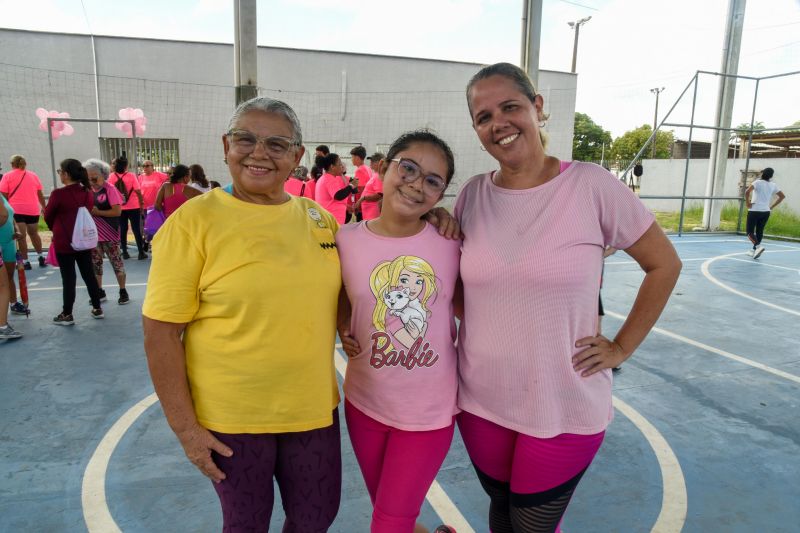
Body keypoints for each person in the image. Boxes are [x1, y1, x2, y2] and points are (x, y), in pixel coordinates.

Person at [455, 63, 682, 532]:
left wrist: (622, 346)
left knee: (531, 526)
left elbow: (664, 264)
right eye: (483, 116)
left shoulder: (591, 185)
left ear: (538, 108)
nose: (498, 123)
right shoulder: (473, 195)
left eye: (511, 106)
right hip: (481, 400)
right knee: (502, 514)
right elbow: (459, 288)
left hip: (564, 401)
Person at [142, 96, 343, 532]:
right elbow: (160, 332)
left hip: (311, 411)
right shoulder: (194, 222)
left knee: (316, 518)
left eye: (276, 143)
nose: (258, 152)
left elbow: (369, 268)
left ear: (297, 156)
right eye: (245, 139)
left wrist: (432, 219)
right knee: (247, 524)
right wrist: (185, 429)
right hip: (232, 418)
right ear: (225, 145)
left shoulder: (319, 220)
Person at [337, 131, 459, 533]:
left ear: (440, 195)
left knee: (388, 525)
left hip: (427, 414)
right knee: (390, 515)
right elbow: (340, 292)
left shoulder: (451, 242)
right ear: (384, 167)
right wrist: (343, 323)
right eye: (408, 167)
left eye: (432, 180)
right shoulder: (346, 240)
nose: (415, 183)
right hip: (365, 403)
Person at [44, 159, 105, 325]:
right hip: (84, 239)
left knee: (68, 278)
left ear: (66, 174)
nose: (60, 175)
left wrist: (54, 228)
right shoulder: (87, 192)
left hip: (65, 240)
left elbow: (48, 215)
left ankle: (67, 313)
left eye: (60, 172)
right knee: (88, 274)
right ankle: (97, 307)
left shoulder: (58, 194)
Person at [85, 158, 129, 306]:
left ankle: (123, 291)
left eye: (94, 178)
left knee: (116, 262)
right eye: (88, 178)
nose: (91, 181)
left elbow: (117, 212)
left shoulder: (110, 189)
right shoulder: (87, 190)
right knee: (95, 265)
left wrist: (98, 212)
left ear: (103, 175)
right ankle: (99, 291)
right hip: (93, 235)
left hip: (110, 233)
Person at [0, 155, 46, 269]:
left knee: (21, 236)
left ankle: (25, 262)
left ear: (12, 164)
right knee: (34, 234)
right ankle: (41, 256)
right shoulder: (33, 175)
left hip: (17, 210)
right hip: (33, 209)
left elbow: (3, 195)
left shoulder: (7, 176)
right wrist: (44, 207)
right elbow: (39, 193)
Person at [108, 157, 147, 260]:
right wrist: (141, 203)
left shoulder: (111, 177)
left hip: (120, 207)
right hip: (134, 206)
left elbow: (109, 192)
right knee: (136, 229)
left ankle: (124, 252)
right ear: (126, 166)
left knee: (123, 228)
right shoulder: (131, 175)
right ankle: (141, 252)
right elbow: (138, 191)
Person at [745, 167, 785, 259]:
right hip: (766, 211)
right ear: (771, 176)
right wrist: (771, 207)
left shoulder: (757, 182)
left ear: (762, 173)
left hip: (754, 210)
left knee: (749, 232)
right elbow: (782, 196)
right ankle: (754, 250)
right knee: (759, 231)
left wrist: (747, 203)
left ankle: (758, 247)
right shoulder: (773, 185)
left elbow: (747, 192)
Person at [0, 195, 22, 339]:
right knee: (3, 285)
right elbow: (3, 215)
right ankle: (2, 326)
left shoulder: (1, 195)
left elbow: (8, 215)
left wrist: (16, 227)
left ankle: (13, 303)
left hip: (8, 241)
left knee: (7, 279)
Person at [316, 153, 355, 225]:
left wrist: (346, 206)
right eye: (340, 164)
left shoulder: (327, 178)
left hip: (330, 218)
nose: (342, 167)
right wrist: (351, 185)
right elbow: (338, 196)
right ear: (332, 166)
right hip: (332, 219)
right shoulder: (329, 179)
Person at [356, 152, 385, 221]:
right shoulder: (375, 174)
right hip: (368, 211)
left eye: (373, 161)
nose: (370, 163)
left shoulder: (379, 176)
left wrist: (362, 199)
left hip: (373, 212)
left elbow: (380, 195)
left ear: (379, 163)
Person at [349, 146, 371, 221]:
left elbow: (360, 189)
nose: (351, 159)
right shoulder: (367, 168)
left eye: (352, 157)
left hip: (362, 205)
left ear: (357, 157)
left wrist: (357, 205)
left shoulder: (359, 170)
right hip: (368, 203)